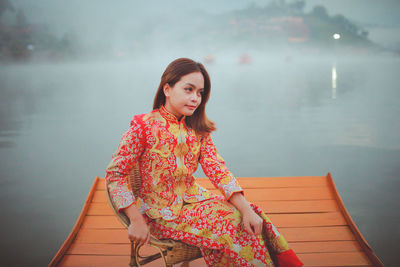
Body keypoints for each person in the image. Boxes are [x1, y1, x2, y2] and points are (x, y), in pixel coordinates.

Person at [105, 58, 303, 266]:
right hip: (159, 214)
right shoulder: (142, 127)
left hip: (196, 203)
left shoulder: (197, 130)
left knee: (252, 216)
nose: (195, 99)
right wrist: (135, 220)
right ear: (167, 89)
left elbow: (218, 170)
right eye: (188, 89)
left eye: (200, 93)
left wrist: (246, 209)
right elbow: (116, 175)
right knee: (234, 228)